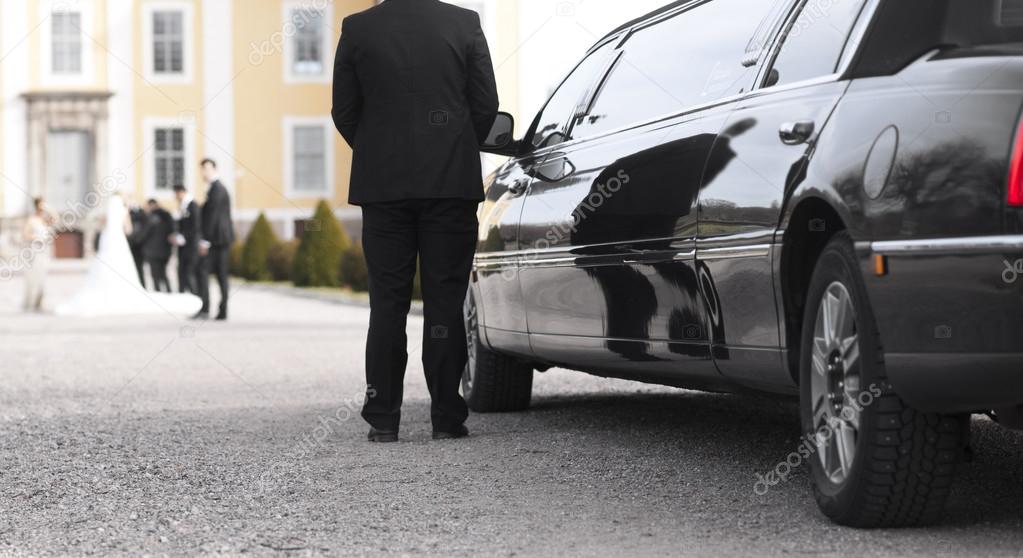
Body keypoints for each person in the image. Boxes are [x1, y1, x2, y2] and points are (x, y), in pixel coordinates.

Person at [332, 0, 499, 442]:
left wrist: (377, 149)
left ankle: (383, 418)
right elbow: (486, 106)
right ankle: (447, 417)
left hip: (383, 188)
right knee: (444, 301)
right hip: (449, 183)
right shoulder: (464, 23)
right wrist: (455, 143)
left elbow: (344, 111)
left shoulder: (357, 27)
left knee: (387, 304)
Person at [55, 193, 201, 317]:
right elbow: (128, 230)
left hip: (108, 243)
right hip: (119, 242)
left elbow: (100, 226)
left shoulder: (105, 214)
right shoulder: (124, 211)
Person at [194, 159, 234, 321]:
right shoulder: (214, 188)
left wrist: (205, 241)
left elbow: (212, 218)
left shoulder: (217, 189)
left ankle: (212, 309)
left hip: (217, 240)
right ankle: (216, 309)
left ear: (214, 169)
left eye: (207, 169)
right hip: (219, 240)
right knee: (218, 275)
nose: (204, 172)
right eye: (203, 169)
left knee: (209, 273)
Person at [22, 198, 56, 312]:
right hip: (35, 252)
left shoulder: (44, 220)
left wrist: (49, 208)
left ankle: (40, 301)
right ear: (37, 206)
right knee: (35, 277)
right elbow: (25, 235)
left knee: (44, 278)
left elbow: (56, 219)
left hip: (45, 252)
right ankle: (32, 302)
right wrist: (37, 238)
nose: (42, 209)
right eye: (41, 206)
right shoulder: (31, 219)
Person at [172, 184, 201, 295]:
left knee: (190, 274)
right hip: (183, 248)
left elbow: (196, 226)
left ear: (181, 192)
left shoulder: (193, 206)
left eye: (176, 194)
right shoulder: (182, 206)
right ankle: (182, 297)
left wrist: (183, 237)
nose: (175, 197)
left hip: (191, 246)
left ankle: (196, 300)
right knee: (181, 273)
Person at [142, 199, 174, 292]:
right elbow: (172, 232)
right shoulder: (167, 215)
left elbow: (145, 233)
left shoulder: (151, 216)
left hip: (153, 251)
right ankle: (169, 292)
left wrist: (135, 240)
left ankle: (158, 293)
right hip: (165, 251)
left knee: (155, 275)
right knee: (163, 274)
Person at [126, 197, 148, 286]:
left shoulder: (142, 213)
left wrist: (139, 239)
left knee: (139, 267)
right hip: (130, 244)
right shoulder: (127, 213)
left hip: (139, 246)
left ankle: (142, 285)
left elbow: (145, 228)